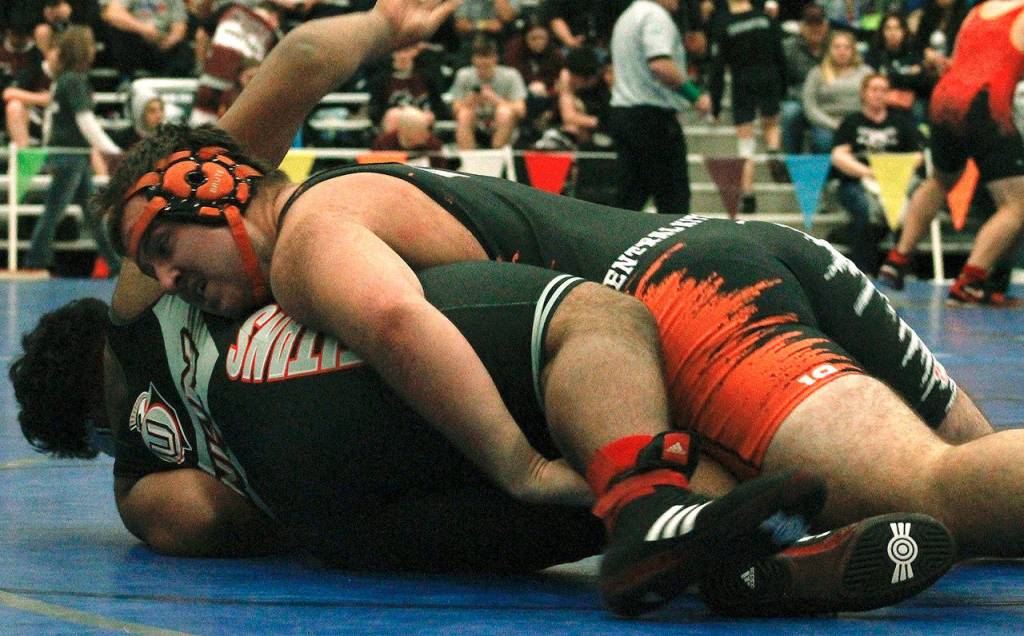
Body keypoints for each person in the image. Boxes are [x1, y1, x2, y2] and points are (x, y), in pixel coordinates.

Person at [14, 260, 962, 617]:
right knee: (595, 387)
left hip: (358, 536)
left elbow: (214, 520)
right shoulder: (161, 302)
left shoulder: (142, 487)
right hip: (326, 392)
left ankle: (751, 572)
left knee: (574, 524)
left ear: (87, 432)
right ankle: (699, 521)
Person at [879, 0, 1024, 306]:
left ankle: (897, 258)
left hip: (945, 97)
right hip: (984, 103)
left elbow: (964, 58)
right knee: (1017, 204)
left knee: (942, 180)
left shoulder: (978, 9)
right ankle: (970, 282)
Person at [24, 26, 122, 276]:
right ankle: (35, 261)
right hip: (71, 154)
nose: (93, 50)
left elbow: (50, 120)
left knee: (92, 211)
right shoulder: (75, 81)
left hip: (66, 153)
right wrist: (112, 151)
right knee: (54, 210)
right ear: (81, 50)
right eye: (89, 45)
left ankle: (113, 262)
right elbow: (85, 121)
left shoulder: (62, 80)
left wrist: (49, 148)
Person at [608, 0, 711, 214]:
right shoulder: (655, 16)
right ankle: (678, 246)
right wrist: (695, 96)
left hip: (625, 112)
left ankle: (613, 245)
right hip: (651, 118)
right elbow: (660, 64)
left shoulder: (627, 17)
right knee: (673, 197)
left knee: (630, 197)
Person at [829, 73, 923, 274]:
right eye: (874, 89)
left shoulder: (901, 122)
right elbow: (838, 156)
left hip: (897, 181)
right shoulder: (852, 122)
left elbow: (917, 156)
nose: (879, 95)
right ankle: (862, 272)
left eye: (883, 90)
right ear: (863, 93)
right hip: (858, 180)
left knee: (907, 213)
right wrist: (868, 172)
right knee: (866, 210)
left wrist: (893, 174)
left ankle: (902, 269)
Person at [706, 0, 785, 214]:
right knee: (771, 126)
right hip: (769, 77)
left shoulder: (723, 23)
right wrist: (783, 87)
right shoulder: (765, 18)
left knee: (746, 144)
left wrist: (715, 106)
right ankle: (773, 149)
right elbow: (780, 54)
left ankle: (748, 195)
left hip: (742, 81)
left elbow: (717, 68)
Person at [188, 2, 284, 127]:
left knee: (200, 123)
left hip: (215, 76)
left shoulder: (231, 8)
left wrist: (202, 65)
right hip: (237, 89)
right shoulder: (273, 35)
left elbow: (201, 35)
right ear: (274, 17)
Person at [801, 29, 874, 154]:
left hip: (859, 122)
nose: (842, 51)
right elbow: (810, 106)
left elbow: (874, 100)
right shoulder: (817, 73)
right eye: (837, 47)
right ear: (829, 49)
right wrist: (833, 124)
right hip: (827, 124)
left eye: (847, 47)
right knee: (824, 141)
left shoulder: (866, 72)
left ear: (853, 51)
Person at [450, 35, 527, 149]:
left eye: (487, 57)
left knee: (504, 113)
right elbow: (454, 110)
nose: (483, 62)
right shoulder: (463, 75)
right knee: (464, 114)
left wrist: (496, 100)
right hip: (475, 125)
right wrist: (469, 101)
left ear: (495, 58)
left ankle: (497, 155)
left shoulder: (511, 75)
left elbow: (521, 111)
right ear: (473, 59)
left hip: (502, 126)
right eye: (479, 57)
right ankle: (468, 160)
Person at [865, 11, 930, 126]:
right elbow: (871, 82)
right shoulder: (874, 54)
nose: (892, 33)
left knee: (918, 108)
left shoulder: (913, 52)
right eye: (888, 29)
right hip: (883, 99)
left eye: (897, 28)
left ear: (904, 31)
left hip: (911, 100)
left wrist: (891, 77)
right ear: (882, 32)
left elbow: (922, 82)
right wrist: (907, 75)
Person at [780, 3, 830, 154]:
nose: (815, 28)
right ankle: (791, 163)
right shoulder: (787, 48)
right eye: (810, 24)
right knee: (789, 112)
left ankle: (823, 175)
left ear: (826, 25)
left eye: (819, 23)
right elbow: (781, 82)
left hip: (826, 103)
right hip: (797, 100)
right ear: (801, 26)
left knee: (824, 140)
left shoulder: (835, 47)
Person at [98, 0, 194, 78]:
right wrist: (143, 29)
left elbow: (180, 25)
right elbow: (112, 14)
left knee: (184, 50)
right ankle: (125, 79)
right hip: (134, 39)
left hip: (162, 41)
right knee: (118, 33)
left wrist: (168, 41)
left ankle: (172, 85)